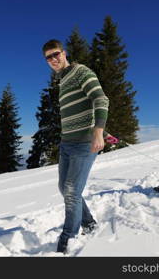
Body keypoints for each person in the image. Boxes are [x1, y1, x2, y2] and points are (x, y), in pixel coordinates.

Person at [42, 39, 109, 253]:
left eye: (56, 54)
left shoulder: (80, 71)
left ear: (64, 52)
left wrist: (98, 131)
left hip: (84, 143)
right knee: (65, 188)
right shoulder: (61, 81)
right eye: (48, 57)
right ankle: (88, 222)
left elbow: (100, 99)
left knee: (71, 191)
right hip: (67, 144)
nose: (53, 59)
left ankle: (68, 239)